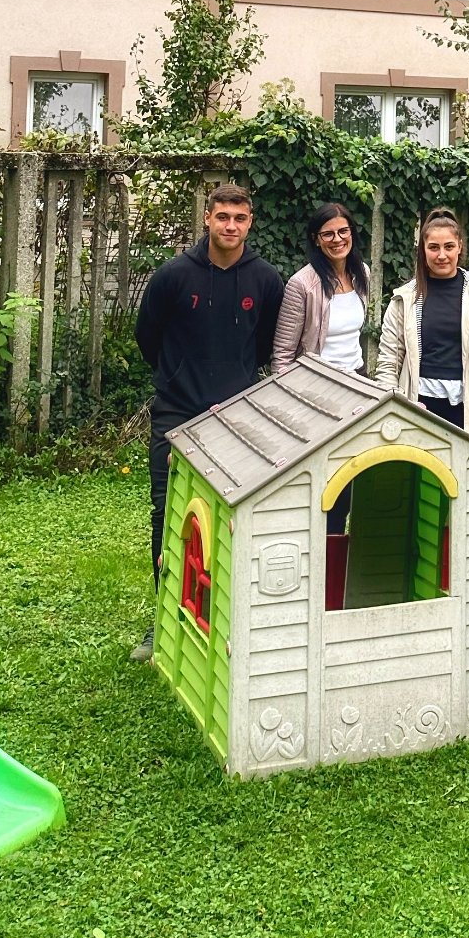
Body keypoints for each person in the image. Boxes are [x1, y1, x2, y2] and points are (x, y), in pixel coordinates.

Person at [132, 182, 283, 660]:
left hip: (235, 420)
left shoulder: (265, 280)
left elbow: (264, 347)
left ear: (249, 222)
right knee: (168, 513)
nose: (230, 227)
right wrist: (177, 377)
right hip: (176, 414)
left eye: (239, 219)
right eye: (222, 218)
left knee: (232, 517)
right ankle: (162, 622)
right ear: (207, 219)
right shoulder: (174, 276)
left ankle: (224, 619)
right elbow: (147, 337)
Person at [375, 208, 469, 442]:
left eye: (448, 246)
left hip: (468, 409)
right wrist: (392, 408)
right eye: (433, 248)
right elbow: (389, 360)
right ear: (423, 250)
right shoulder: (405, 298)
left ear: (460, 246)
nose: (441, 255)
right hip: (418, 407)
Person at [272, 201, 373, 376]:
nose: (337, 239)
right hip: (318, 382)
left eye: (343, 231)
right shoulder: (301, 284)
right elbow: (283, 353)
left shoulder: (362, 272)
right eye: (327, 234)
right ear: (316, 240)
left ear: (352, 233)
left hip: (358, 375)